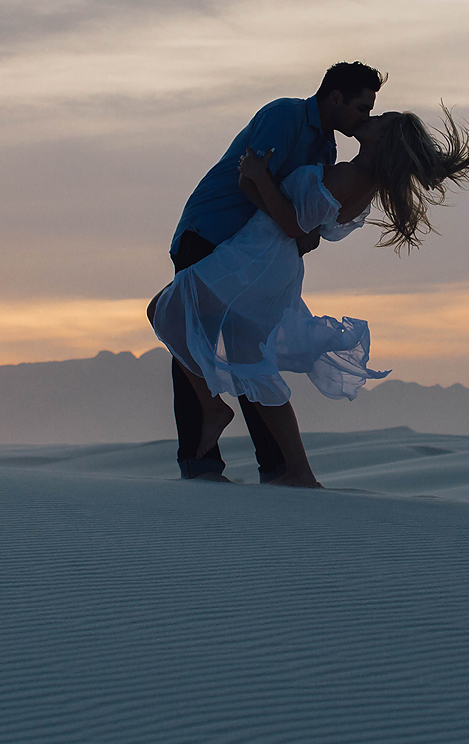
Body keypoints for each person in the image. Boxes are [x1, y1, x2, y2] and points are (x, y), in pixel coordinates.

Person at [151, 103, 469, 487]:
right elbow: (311, 230)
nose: (372, 117)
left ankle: (215, 408)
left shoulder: (350, 174)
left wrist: (258, 176)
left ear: (385, 139)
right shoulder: (362, 179)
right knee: (250, 360)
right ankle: (298, 470)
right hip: (271, 260)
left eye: (381, 119)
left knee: (166, 312)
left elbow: (294, 223)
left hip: (256, 255)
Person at [162, 63, 384, 480]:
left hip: (252, 253)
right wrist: (287, 223)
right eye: (361, 107)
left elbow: (305, 226)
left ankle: (278, 467)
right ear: (333, 97)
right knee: (193, 333)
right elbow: (249, 181)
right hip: (212, 230)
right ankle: (201, 463)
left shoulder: (327, 152)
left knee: (248, 349)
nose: (364, 118)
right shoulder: (285, 116)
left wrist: (289, 226)